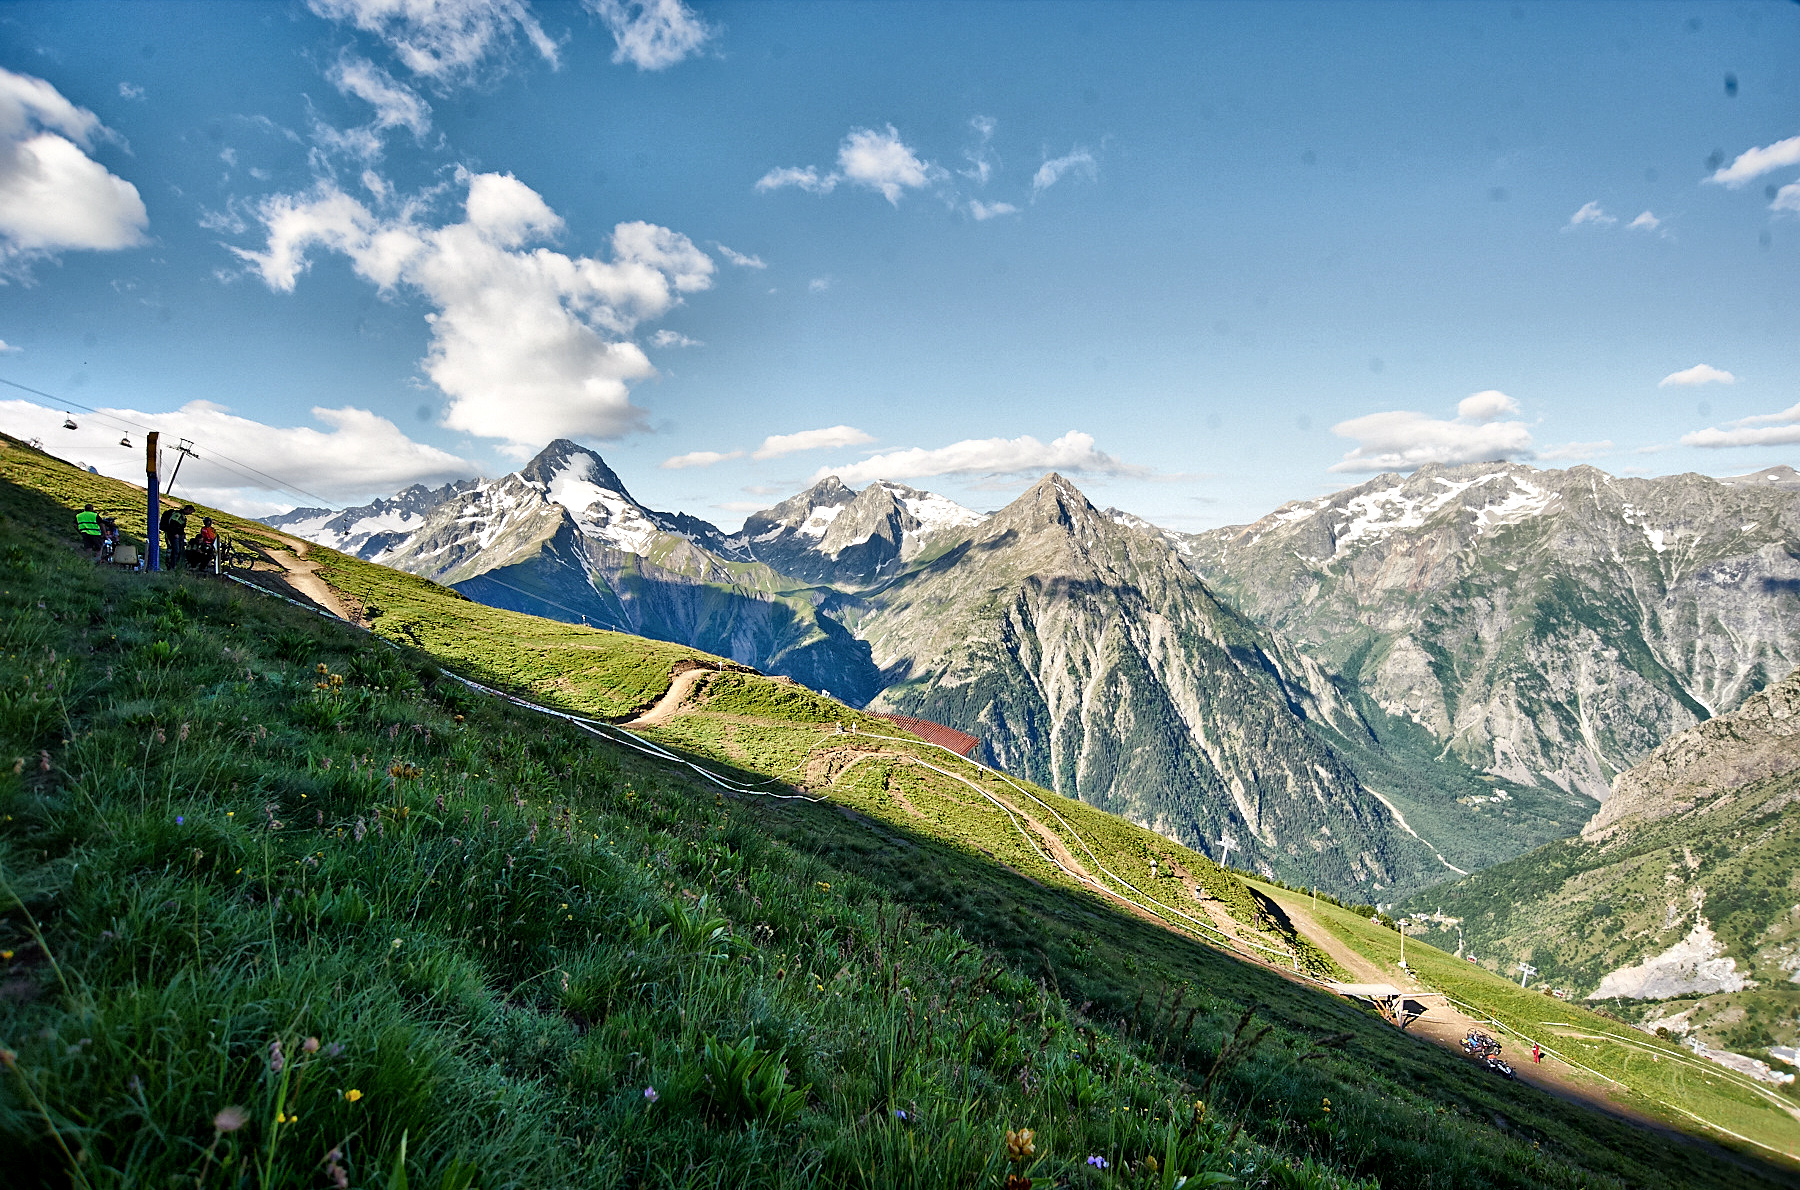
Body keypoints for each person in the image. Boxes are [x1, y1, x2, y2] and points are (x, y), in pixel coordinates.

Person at [159, 503, 192, 568]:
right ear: (188, 509)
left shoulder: (182, 516)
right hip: (173, 535)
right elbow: (172, 524)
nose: (190, 513)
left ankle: (175, 565)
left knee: (178, 551)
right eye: (190, 511)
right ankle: (171, 565)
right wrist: (174, 533)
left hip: (178, 535)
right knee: (175, 550)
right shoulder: (177, 514)